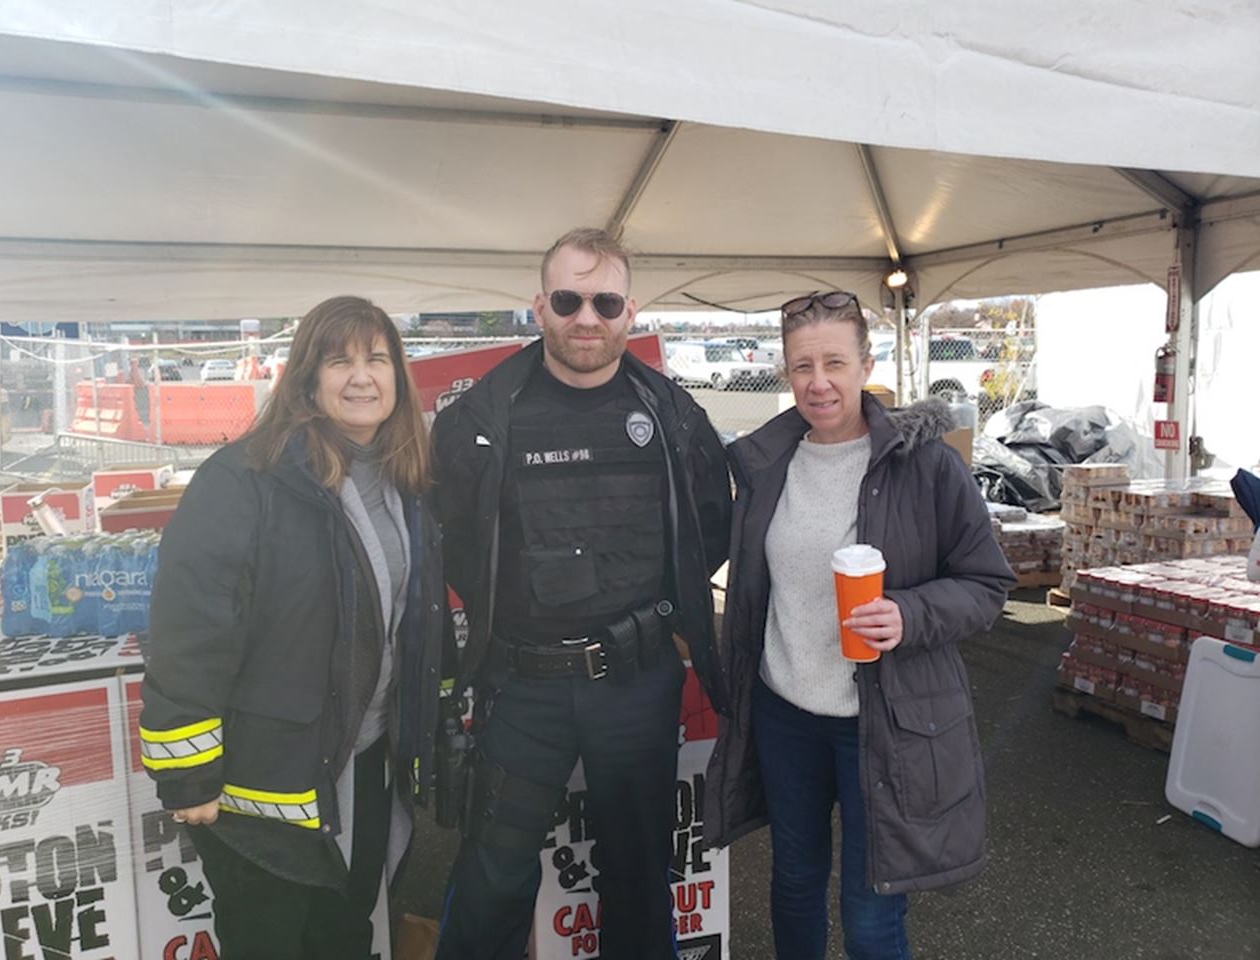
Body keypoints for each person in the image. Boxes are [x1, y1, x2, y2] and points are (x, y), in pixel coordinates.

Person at [431, 227, 731, 959]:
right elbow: (454, 540)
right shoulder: (479, 419)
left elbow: (709, 530)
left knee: (638, 876)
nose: (586, 318)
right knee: (492, 875)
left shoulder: (674, 417)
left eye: (605, 302)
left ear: (631, 311)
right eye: (568, 301)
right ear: (539, 308)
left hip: (635, 684)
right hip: (521, 688)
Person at [704, 292, 1015, 960]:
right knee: (795, 881)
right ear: (785, 373)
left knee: (871, 911)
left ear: (866, 366)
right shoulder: (765, 466)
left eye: (835, 363)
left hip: (884, 719)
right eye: (802, 366)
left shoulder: (926, 465)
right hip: (786, 713)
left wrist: (910, 613)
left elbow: (987, 584)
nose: (818, 382)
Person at [140, 296, 449, 959]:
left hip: (362, 767)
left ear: (398, 376)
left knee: (346, 936)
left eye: (377, 359)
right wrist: (188, 774)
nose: (361, 377)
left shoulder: (405, 481)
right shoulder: (244, 480)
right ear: (307, 380)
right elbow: (189, 631)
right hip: (265, 784)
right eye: (339, 361)